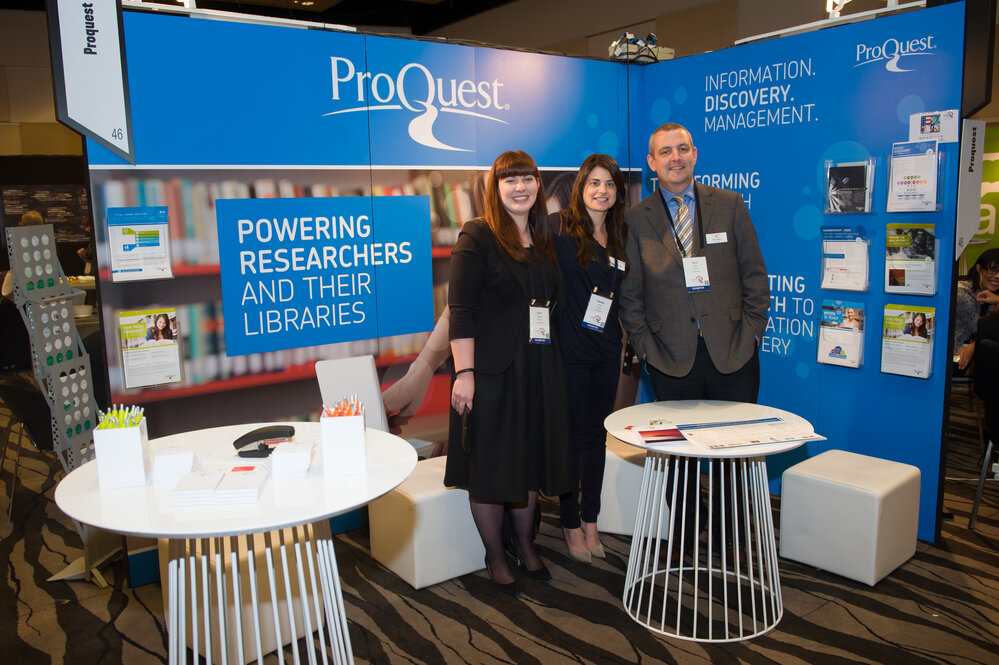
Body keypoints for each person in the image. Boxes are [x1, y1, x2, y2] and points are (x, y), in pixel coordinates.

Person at [619, 122, 769, 551]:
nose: (675, 158)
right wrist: (647, 348)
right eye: (665, 152)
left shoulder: (729, 204)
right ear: (652, 163)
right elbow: (630, 295)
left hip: (733, 353)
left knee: (732, 453)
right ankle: (685, 534)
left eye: (682, 149)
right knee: (678, 456)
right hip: (670, 357)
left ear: (695, 154)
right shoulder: (635, 219)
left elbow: (754, 275)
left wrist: (752, 333)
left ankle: (729, 537)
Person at [446, 150, 570, 595]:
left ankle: (524, 543)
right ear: (495, 188)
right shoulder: (477, 234)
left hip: (539, 370)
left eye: (527, 178)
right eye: (510, 180)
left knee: (530, 461)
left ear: (538, 184)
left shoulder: (543, 236)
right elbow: (460, 310)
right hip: (493, 373)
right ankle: (495, 554)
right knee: (491, 468)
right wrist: (465, 373)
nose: (520, 187)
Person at [550, 154, 628, 563]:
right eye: (594, 183)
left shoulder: (620, 235)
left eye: (610, 184)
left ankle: (591, 519)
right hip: (570, 351)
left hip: (607, 350)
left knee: (596, 437)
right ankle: (569, 521)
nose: (602, 191)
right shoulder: (558, 228)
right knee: (571, 439)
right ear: (581, 187)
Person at [954, 249, 999, 372]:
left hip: (975, 355)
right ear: (979, 269)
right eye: (993, 270)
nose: (997, 276)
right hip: (956, 358)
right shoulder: (961, 293)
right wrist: (974, 346)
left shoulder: (990, 294)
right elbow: (986, 331)